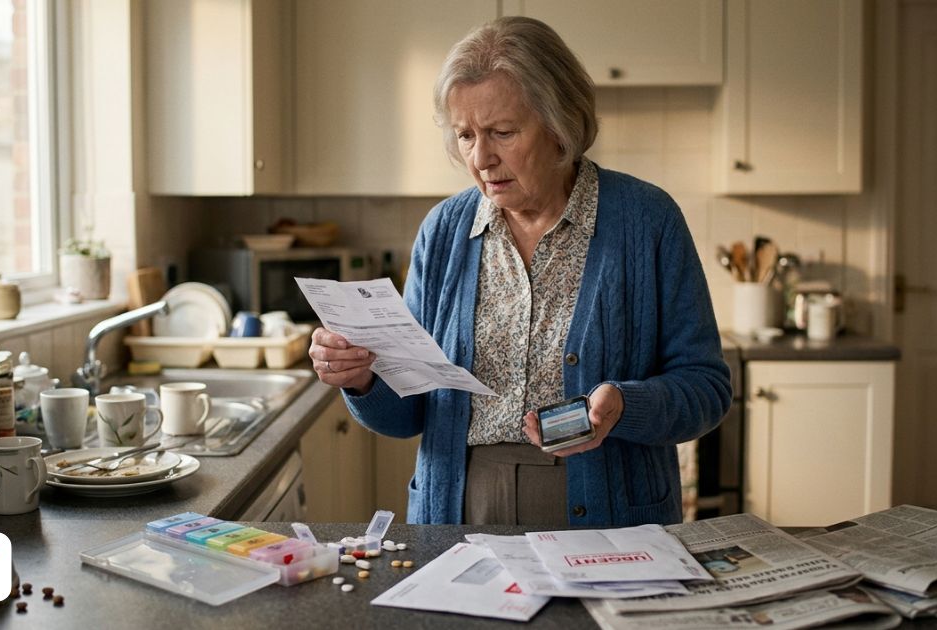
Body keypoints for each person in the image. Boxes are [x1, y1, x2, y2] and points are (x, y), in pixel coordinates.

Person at [308, 16, 731, 527]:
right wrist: (362, 381)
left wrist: (626, 404)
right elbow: (407, 414)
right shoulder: (443, 231)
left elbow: (706, 388)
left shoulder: (646, 220)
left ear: (561, 126)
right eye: (465, 136)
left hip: (612, 518)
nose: (481, 158)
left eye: (502, 133)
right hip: (458, 515)